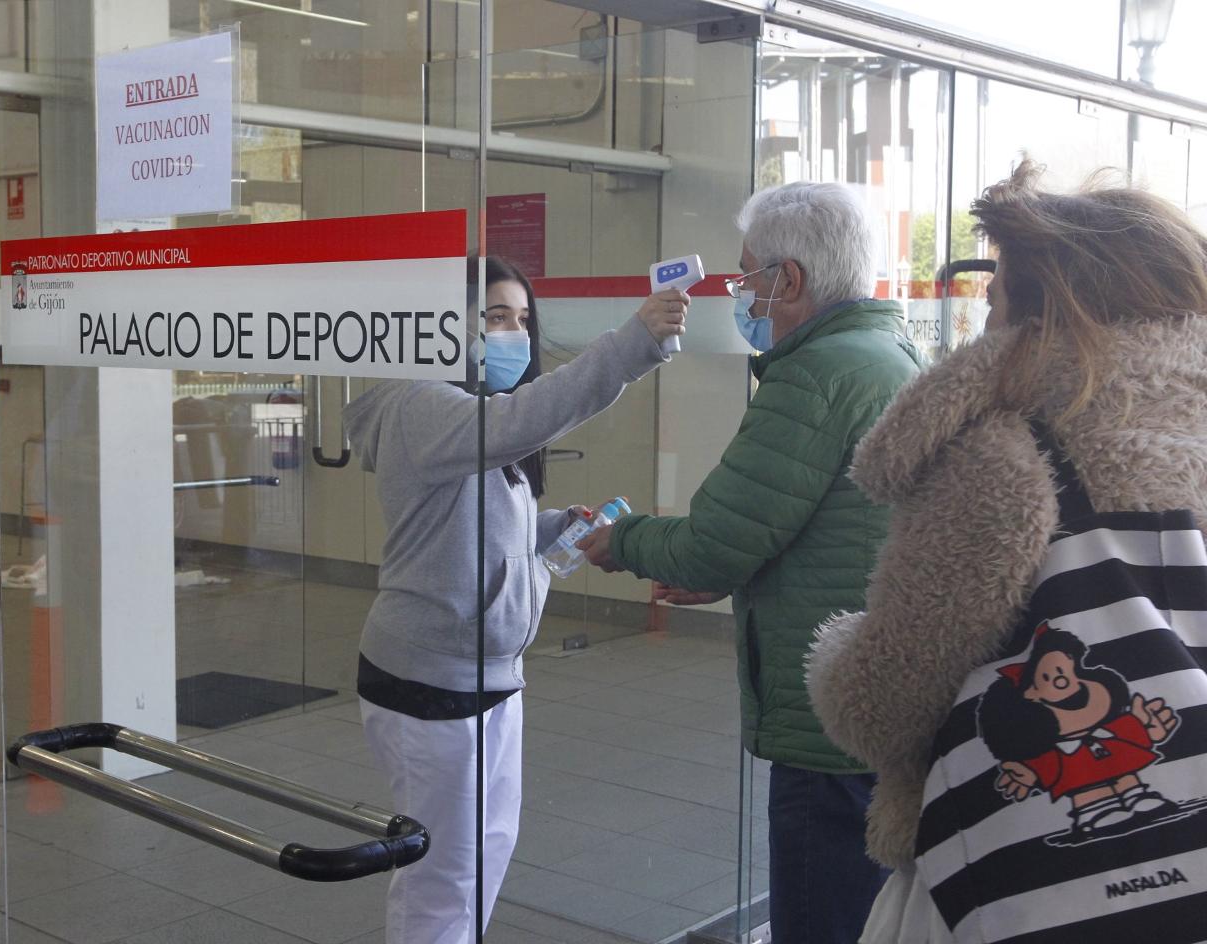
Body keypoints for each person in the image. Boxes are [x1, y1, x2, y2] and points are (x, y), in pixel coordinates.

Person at [803, 159, 1207, 942]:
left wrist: (836, 660)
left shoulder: (1008, 453)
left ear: (1045, 311)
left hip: (1025, 881)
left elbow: (886, 697)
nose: (984, 323)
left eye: (995, 300)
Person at [579, 182, 922, 944]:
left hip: (826, 716)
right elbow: (816, 525)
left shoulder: (815, 373)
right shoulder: (891, 352)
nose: (741, 295)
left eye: (746, 278)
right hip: (881, 692)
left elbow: (716, 538)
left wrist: (625, 538)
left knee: (821, 916)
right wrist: (724, 571)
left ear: (789, 280)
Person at [342, 256, 687, 944]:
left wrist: (553, 526)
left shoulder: (465, 413)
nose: (514, 335)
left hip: (492, 675)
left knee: (484, 854)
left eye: (523, 320)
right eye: (495, 317)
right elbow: (528, 417)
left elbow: (472, 520)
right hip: (430, 678)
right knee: (442, 880)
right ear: (444, 323)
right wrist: (633, 343)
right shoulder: (420, 404)